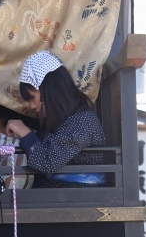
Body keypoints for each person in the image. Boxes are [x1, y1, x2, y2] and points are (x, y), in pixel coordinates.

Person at [6, 51, 106, 188]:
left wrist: (24, 132)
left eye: (32, 98)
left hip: (78, 199)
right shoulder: (66, 121)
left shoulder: (82, 121)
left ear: (48, 90)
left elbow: (47, 162)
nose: (32, 105)